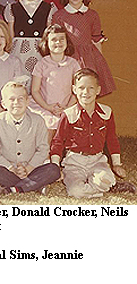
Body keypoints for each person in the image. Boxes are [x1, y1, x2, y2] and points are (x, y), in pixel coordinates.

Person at [50, 69, 134, 198]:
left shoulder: (106, 112)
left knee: (105, 180)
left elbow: (112, 139)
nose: (86, 92)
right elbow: (58, 141)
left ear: (98, 90)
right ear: (74, 89)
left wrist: (116, 164)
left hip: (97, 161)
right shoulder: (68, 114)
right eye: (81, 88)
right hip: (74, 162)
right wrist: (55, 167)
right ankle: (106, 188)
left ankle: (102, 185)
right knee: (76, 191)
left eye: (91, 88)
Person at [0, 81, 60, 194]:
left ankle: (15, 189)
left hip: (32, 169)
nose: (16, 102)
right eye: (12, 99)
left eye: (21, 99)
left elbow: (43, 149)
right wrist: (11, 168)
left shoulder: (38, 120)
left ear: (27, 101)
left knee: (53, 170)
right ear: (3, 104)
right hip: (7, 169)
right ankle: (33, 185)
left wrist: (28, 168)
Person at [52, 0, 115, 96]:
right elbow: (56, 42)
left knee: (87, 90)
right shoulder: (59, 16)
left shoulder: (92, 15)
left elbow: (96, 41)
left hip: (89, 59)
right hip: (68, 58)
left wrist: (99, 64)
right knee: (67, 91)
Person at [28, 24, 81, 139]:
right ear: (46, 43)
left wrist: (66, 108)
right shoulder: (42, 64)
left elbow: (78, 90)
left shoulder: (73, 64)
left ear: (67, 42)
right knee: (48, 128)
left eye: (62, 39)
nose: (58, 42)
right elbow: (35, 90)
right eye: (54, 39)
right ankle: (45, 150)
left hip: (67, 106)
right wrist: (48, 107)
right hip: (44, 106)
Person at [4, 0, 56, 73]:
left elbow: (49, 34)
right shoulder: (12, 8)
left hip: (40, 52)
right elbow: (10, 35)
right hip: (19, 53)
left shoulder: (48, 8)